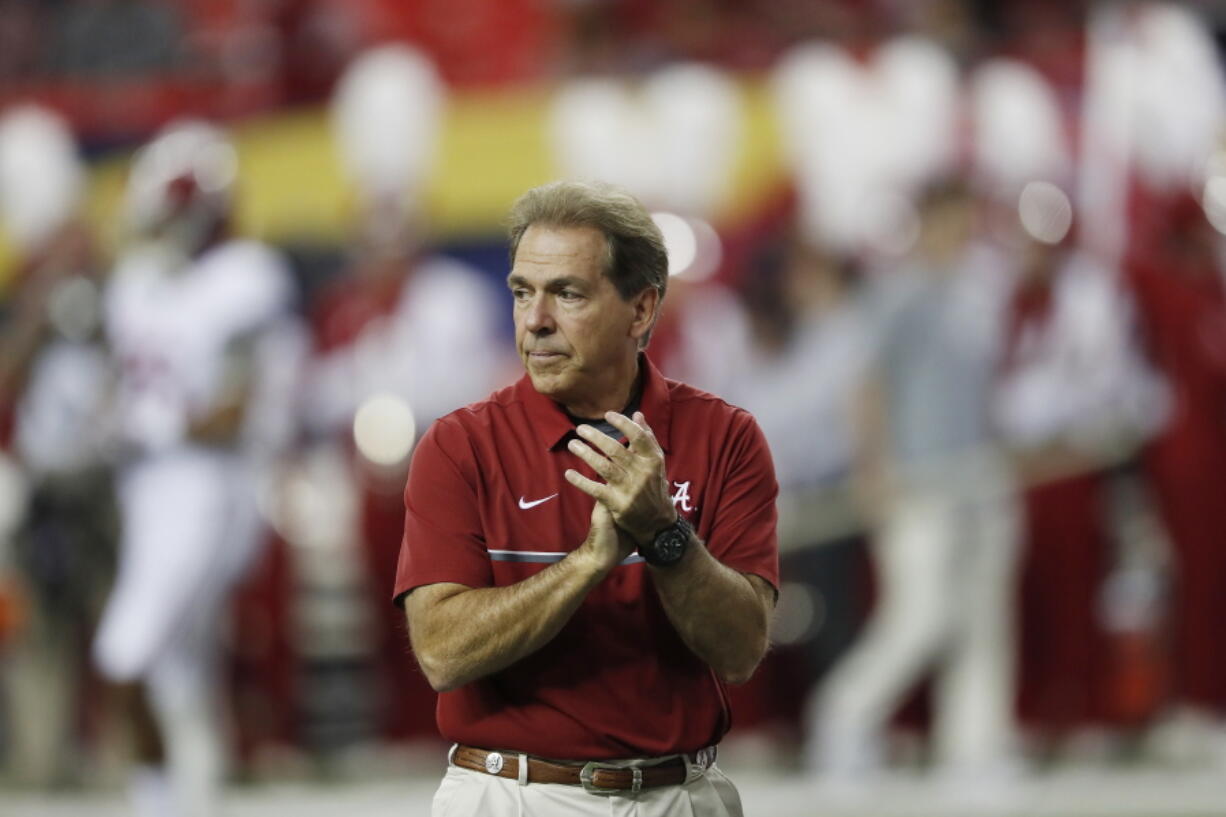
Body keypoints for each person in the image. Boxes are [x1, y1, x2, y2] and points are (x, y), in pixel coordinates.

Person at [394, 180, 779, 816]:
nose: (536, 320)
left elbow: (740, 652)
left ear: (641, 310)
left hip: (678, 794)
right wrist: (588, 562)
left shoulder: (726, 437)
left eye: (567, 293)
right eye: (522, 292)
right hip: (510, 794)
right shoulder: (459, 446)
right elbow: (441, 652)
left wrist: (664, 535)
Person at [91, 120, 303, 817]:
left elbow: (234, 411)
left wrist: (147, 424)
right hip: (147, 488)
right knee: (180, 668)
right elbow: (122, 381)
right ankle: (188, 799)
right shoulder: (138, 282)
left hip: (211, 486)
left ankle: (155, 802)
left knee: (126, 652)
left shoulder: (245, 278)